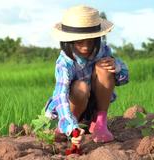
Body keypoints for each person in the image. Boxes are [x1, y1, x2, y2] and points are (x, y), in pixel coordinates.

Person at [44, 5, 129, 148]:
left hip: (93, 108)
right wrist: (70, 127)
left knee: (105, 66)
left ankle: (100, 123)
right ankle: (68, 128)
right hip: (72, 109)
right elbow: (60, 94)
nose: (85, 47)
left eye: (90, 41)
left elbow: (124, 79)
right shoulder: (64, 63)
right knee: (81, 87)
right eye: (79, 42)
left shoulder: (102, 50)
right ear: (68, 42)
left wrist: (117, 66)